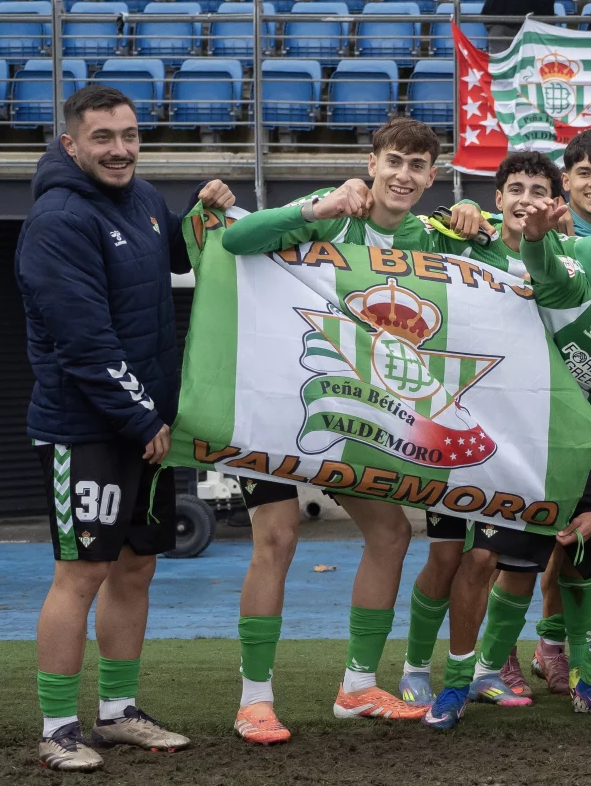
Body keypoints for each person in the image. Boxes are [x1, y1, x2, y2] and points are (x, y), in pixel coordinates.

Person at [218, 118, 463, 734]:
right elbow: (238, 239)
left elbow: (499, 282)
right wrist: (322, 204)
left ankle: (357, 686)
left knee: (390, 536)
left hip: (356, 412)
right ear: (373, 163)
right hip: (277, 405)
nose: (403, 175)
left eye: (417, 166)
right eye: (394, 161)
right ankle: (255, 699)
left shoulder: (427, 238)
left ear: (432, 177)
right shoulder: (329, 212)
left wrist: (480, 229)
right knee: (277, 537)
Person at [21, 86, 228, 769]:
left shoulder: (140, 198)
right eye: (103, 137)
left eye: (130, 135)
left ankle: (116, 714)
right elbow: (84, 340)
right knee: (81, 572)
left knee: (135, 566)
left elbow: (173, 254)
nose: (120, 149)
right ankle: (58, 728)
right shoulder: (57, 219)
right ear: (70, 144)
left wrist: (204, 210)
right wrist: (141, 415)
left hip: (148, 427)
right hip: (90, 426)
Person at [441, 202, 591, 725]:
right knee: (483, 562)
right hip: (520, 444)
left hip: (586, 449)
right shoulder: (575, 287)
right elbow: (545, 263)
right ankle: (457, 684)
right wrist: (533, 236)